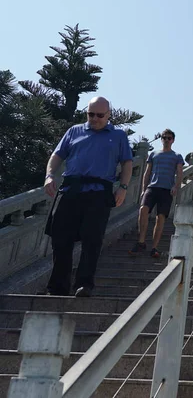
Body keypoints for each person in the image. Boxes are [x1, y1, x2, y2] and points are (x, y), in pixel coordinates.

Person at [43, 97, 133, 297]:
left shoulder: (118, 136)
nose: (94, 119)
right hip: (70, 190)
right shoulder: (74, 131)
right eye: (90, 114)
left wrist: (123, 187)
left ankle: (84, 284)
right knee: (60, 239)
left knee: (92, 240)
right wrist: (49, 176)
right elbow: (57, 155)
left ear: (109, 115)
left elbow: (127, 163)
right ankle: (57, 287)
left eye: (100, 115)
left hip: (99, 192)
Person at [130, 129, 184, 258]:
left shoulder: (177, 156)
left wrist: (176, 186)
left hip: (166, 190)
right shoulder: (153, 154)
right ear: (161, 139)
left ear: (173, 140)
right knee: (143, 210)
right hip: (152, 187)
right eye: (164, 137)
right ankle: (141, 241)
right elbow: (147, 172)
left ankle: (154, 247)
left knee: (160, 218)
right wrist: (143, 189)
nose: (166, 140)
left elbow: (180, 173)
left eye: (169, 138)